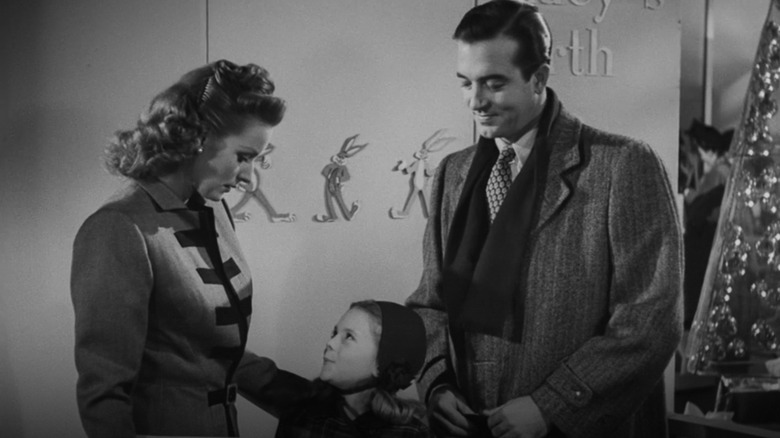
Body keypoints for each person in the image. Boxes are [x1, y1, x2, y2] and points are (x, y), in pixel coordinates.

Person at [405, 2, 683, 437]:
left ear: (539, 78)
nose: (475, 101)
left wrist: (550, 406)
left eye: (494, 84)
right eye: (466, 83)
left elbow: (650, 321)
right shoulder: (453, 173)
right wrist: (436, 384)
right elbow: (429, 301)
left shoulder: (622, 165)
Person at [71, 59, 300, 437]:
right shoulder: (118, 228)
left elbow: (212, 352)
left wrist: (314, 398)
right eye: (243, 157)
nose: (249, 178)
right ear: (197, 137)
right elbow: (104, 396)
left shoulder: (213, 208)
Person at [275, 300, 431, 438]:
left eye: (349, 337)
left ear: (381, 364)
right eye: (334, 333)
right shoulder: (302, 415)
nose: (331, 343)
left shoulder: (410, 433)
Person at [683, 120, 732, 329]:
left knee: (698, 282)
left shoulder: (718, 172)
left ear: (708, 149)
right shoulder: (724, 169)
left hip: (705, 236)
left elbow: (703, 205)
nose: (700, 155)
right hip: (710, 234)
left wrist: (689, 194)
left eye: (701, 150)